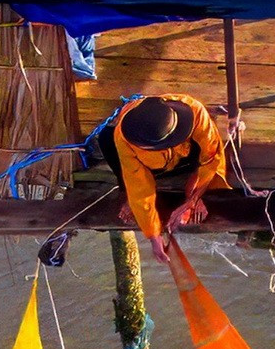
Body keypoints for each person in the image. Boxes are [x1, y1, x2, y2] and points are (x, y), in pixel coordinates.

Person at [91, 94, 232, 262]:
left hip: (184, 157)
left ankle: (194, 192)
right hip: (152, 166)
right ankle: (128, 196)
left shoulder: (195, 111)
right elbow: (139, 186)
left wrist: (194, 199)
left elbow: (212, 158)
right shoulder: (125, 138)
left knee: (206, 163)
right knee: (107, 139)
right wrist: (154, 236)